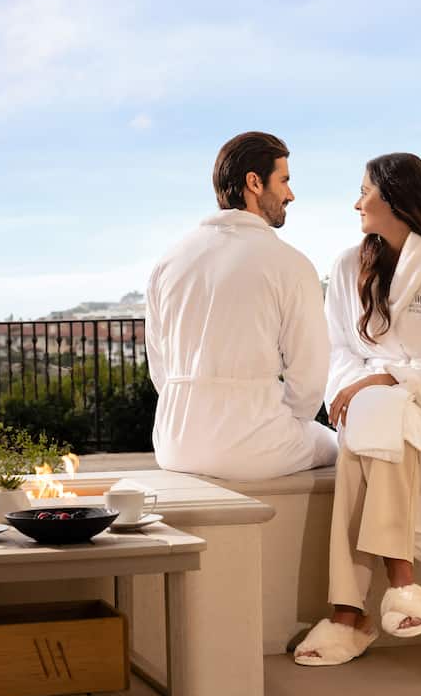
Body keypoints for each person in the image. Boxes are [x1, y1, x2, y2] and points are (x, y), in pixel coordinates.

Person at [294, 152, 421, 666]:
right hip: (370, 408)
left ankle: (346, 613)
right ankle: (400, 584)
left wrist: (384, 377)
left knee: (376, 423)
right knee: (376, 420)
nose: (356, 202)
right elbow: (339, 350)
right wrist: (368, 387)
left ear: (397, 196)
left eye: (365, 191)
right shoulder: (345, 266)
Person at [144, 131, 338, 481]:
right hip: (253, 447)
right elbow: (308, 379)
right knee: (342, 448)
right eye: (284, 180)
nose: (290, 194)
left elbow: (160, 367)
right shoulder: (290, 264)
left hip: (174, 442)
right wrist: (278, 414)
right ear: (254, 182)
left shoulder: (169, 260)